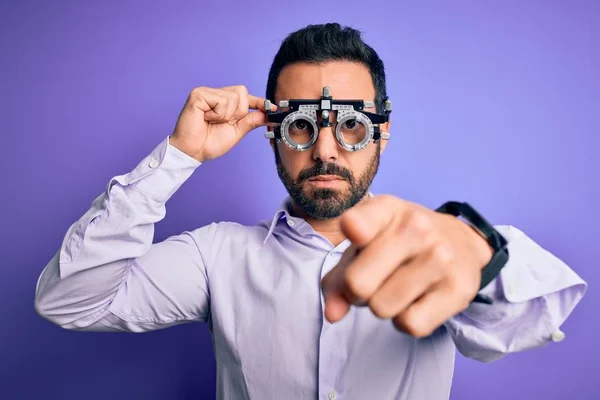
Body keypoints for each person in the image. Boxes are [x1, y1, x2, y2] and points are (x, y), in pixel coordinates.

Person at [34, 23, 587, 400]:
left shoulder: (428, 248)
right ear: (272, 136)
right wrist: (178, 157)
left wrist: (478, 253)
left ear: (382, 136)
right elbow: (70, 300)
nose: (325, 150)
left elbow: (536, 315)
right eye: (302, 126)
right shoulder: (216, 256)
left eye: (351, 125)